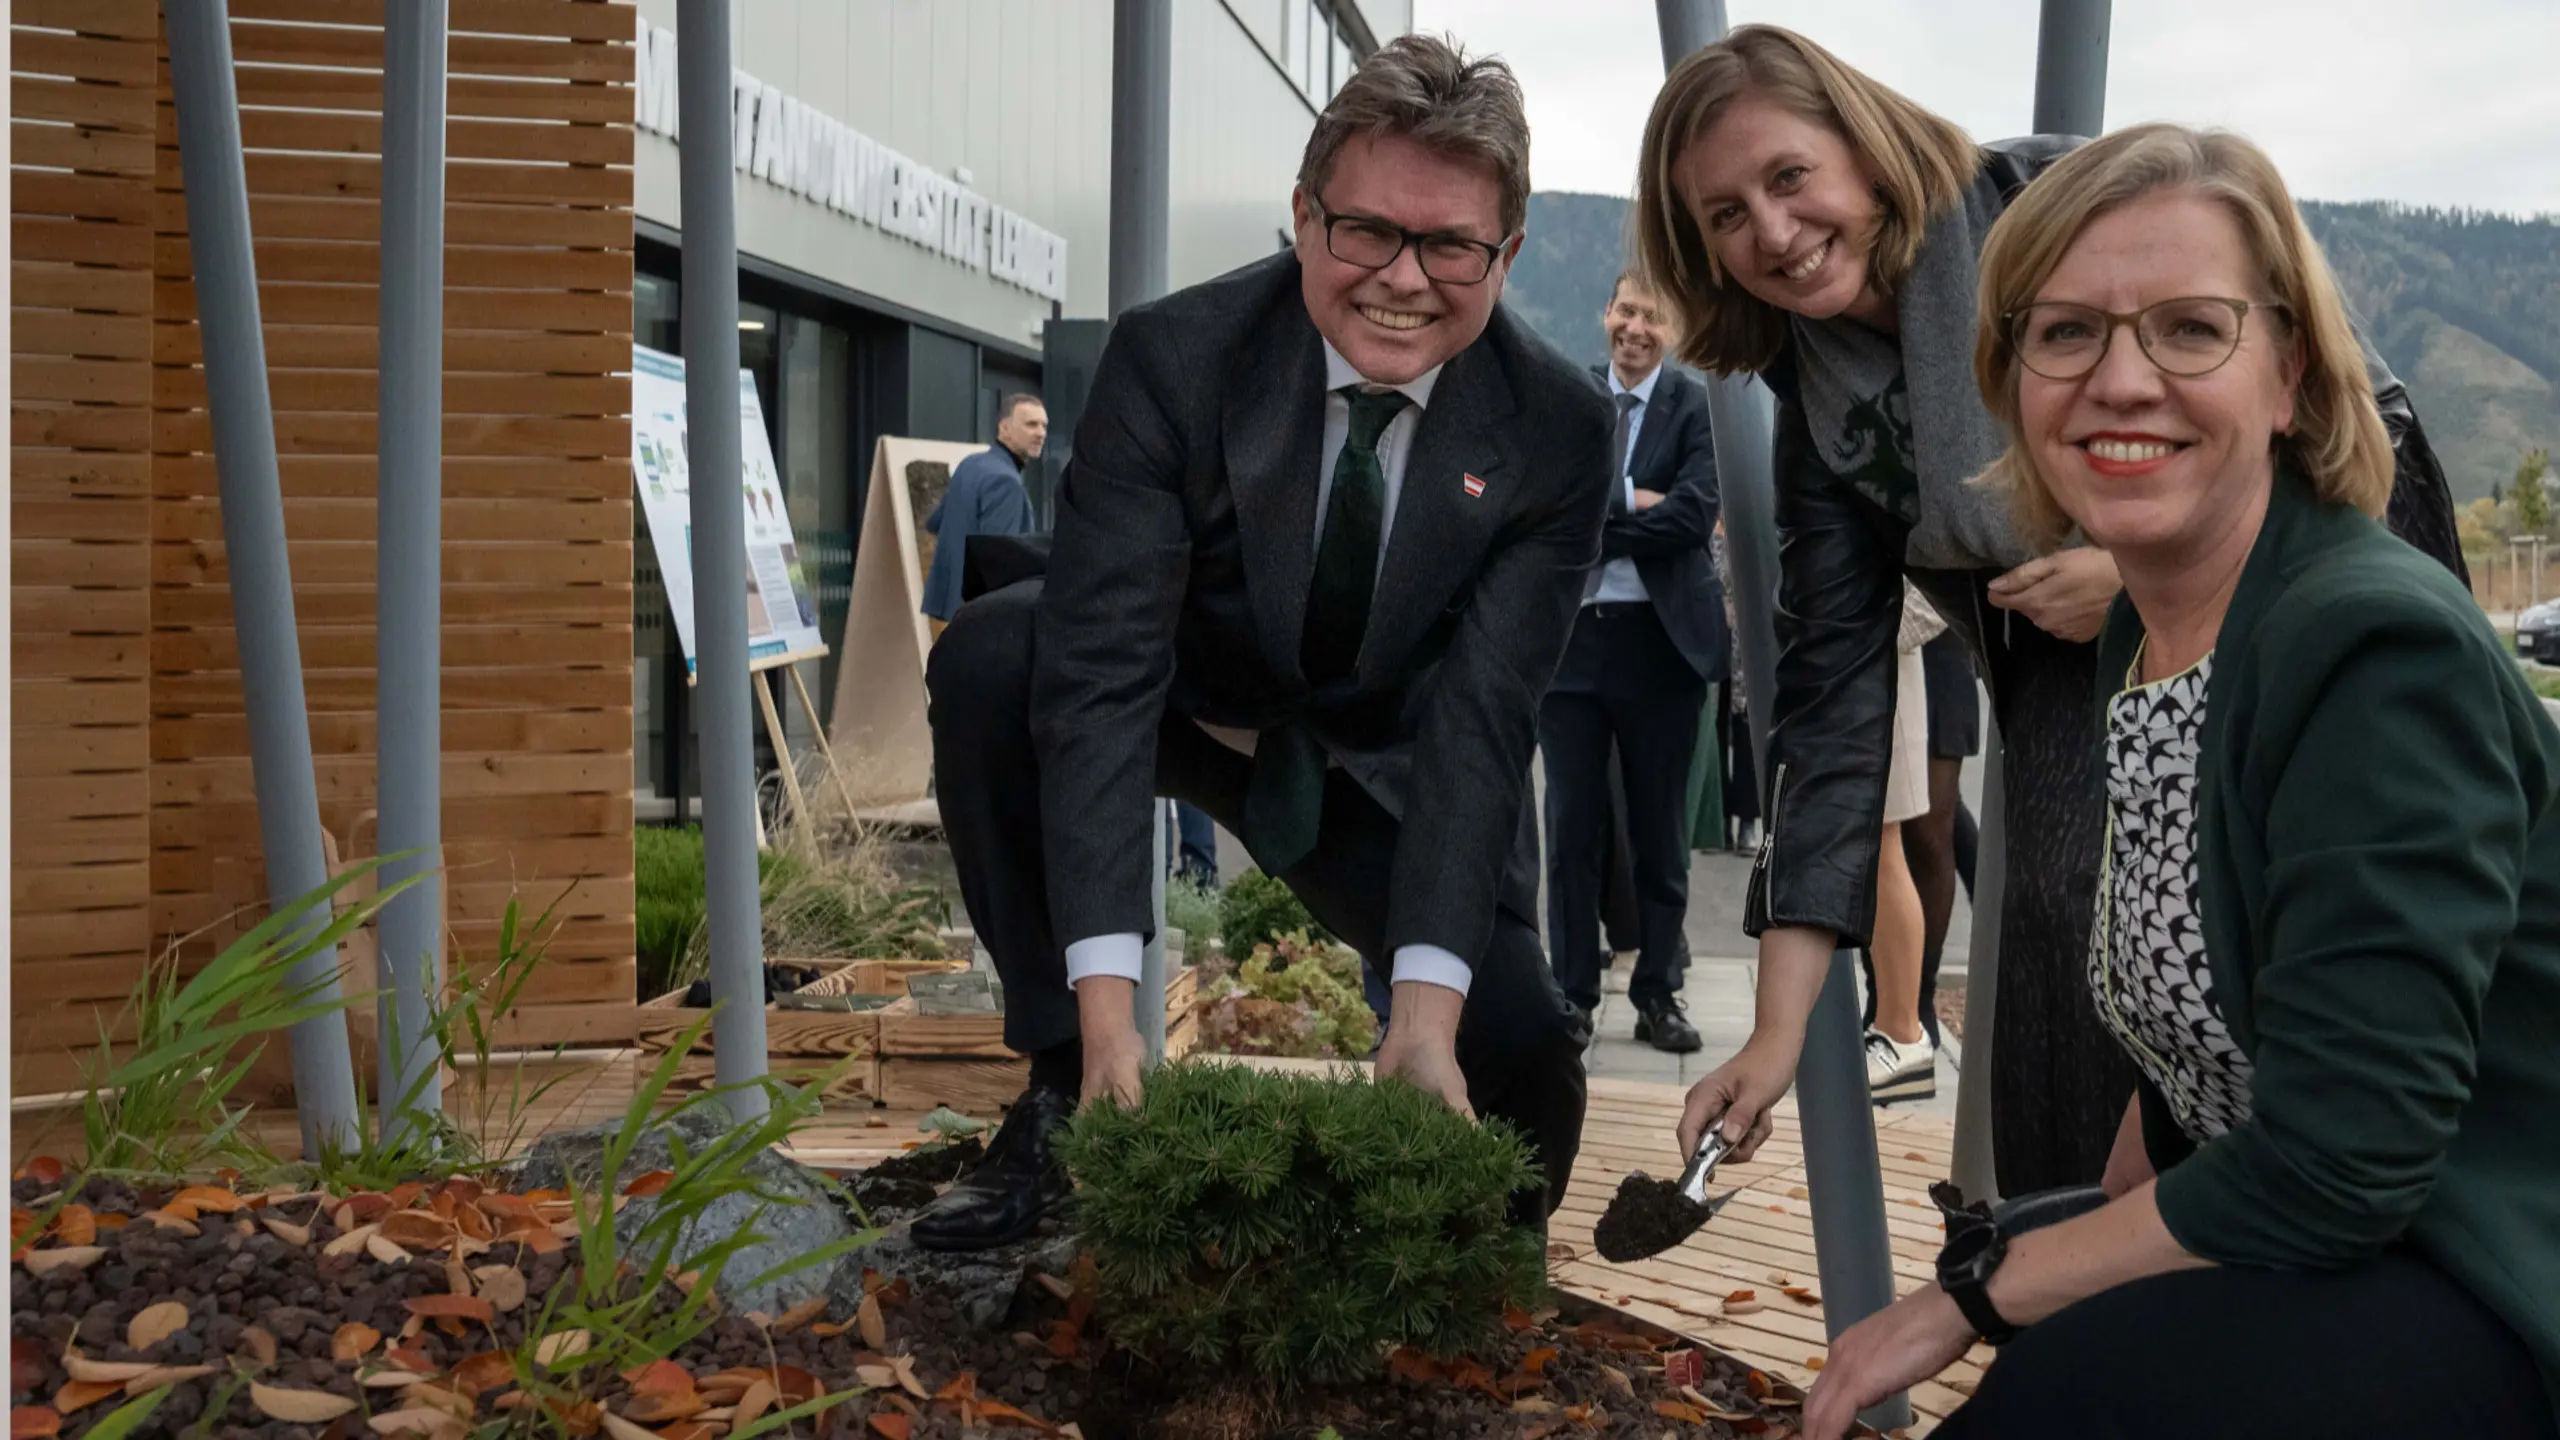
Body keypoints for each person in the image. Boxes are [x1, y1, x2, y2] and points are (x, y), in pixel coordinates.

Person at [1795, 121, 2560, 1440]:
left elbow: (2343, 1163)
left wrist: (1978, 1294)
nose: (2121, 379)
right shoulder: (2150, 640)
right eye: (2067, 333)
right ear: (2009, 382)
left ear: (2290, 377)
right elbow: (2191, 1053)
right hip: (2336, 1245)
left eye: (2191, 330)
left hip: (2492, 1265)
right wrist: (2070, 1252)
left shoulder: (2372, 647)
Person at [1631, 26, 2472, 1194]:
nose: (1770, 231)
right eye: (1723, 215)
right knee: (2060, 933)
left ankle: (2309, 1224)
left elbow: (2289, 396)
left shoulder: (2050, 205)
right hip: (2051, 633)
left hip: (2307, 534)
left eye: (1788, 177)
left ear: (1866, 153)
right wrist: (1776, 1032)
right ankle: (2060, 1281)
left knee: (2287, 910)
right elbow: (1828, 707)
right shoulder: (1819, 407)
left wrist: (2128, 562)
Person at [914, 35, 1607, 1252]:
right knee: (995, 652)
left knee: (1521, 1052)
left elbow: (1484, 722)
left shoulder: (1555, 425)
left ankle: (1461, 1270)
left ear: (1507, 251)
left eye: (1451, 245)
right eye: (1366, 232)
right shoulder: (1178, 357)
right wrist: (1110, 1014)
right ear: (1302, 215)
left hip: (1388, 758)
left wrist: (1426, 1017)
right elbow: (1099, 676)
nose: (1403, 278)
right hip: (1186, 697)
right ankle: (1066, 1089)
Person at [1541, 269, 1725, 1053]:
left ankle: (1658, 994)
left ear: (1671, 329)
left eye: (1652, 316)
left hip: (1660, 647)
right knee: (1571, 830)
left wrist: (1604, 508)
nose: (1636, 328)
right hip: (1572, 647)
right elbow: (1552, 506)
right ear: (1605, 313)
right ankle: (1573, 993)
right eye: (1626, 310)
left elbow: (1692, 515)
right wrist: (1634, 502)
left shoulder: (1694, 407)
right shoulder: (1574, 399)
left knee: (1658, 833)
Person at [1859, 584, 1939, 1101]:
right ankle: (1894, 1027)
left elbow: (1927, 598)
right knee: (1869, 854)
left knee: (1883, 850)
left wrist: (1868, 625)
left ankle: (1903, 1029)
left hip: (1877, 659)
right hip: (1851, 657)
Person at [919, 393, 1047, 625]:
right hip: (984, 618)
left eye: (1043, 425)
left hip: (954, 610)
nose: (1040, 433)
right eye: (1031, 424)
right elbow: (1000, 566)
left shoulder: (972, 464)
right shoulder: (1006, 482)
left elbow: (935, 522)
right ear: (1004, 428)